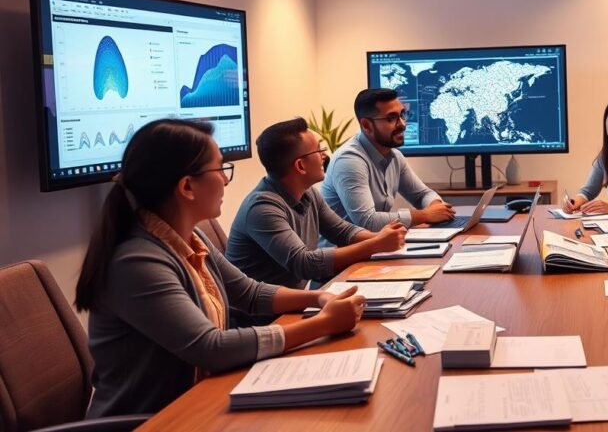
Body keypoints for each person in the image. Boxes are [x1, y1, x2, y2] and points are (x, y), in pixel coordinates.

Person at [75, 119, 367, 418]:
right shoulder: (137, 262)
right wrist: (323, 324)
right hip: (153, 420)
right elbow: (210, 347)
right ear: (187, 186)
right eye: (220, 169)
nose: (226, 181)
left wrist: (318, 300)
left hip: (197, 403)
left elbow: (249, 292)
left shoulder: (191, 237)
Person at [227, 118, 406, 291]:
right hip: (264, 317)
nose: (324, 156)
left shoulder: (308, 193)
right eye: (318, 150)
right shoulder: (262, 209)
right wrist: (376, 244)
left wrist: (382, 239)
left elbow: (343, 232)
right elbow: (304, 264)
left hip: (292, 303)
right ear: (300, 166)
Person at [322, 88, 455, 231]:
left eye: (402, 115)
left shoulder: (395, 156)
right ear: (366, 125)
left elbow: (422, 195)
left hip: (377, 247)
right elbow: (367, 222)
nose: (402, 124)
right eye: (391, 118)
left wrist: (434, 205)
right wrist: (424, 215)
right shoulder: (349, 161)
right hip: (345, 250)